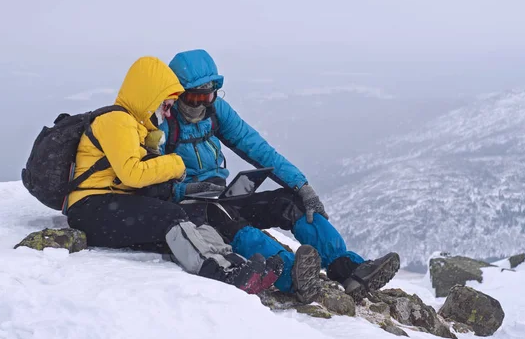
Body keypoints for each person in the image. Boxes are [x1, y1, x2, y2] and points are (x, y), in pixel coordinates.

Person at [157, 49, 400, 303]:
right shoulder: (163, 121)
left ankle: (347, 268)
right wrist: (184, 191)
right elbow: (150, 181)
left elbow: (256, 147)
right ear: (178, 93)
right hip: (190, 209)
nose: (202, 104)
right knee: (231, 221)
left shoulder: (216, 111)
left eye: (208, 96)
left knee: (290, 203)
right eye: (195, 97)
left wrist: (301, 185)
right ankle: (290, 276)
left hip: (220, 195)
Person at [65, 56, 282, 294]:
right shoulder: (117, 120)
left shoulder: (135, 127)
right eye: (166, 106)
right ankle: (218, 272)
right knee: (171, 216)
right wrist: (175, 163)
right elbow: (132, 175)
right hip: (90, 207)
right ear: (150, 98)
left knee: (189, 220)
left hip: (110, 206)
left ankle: (234, 264)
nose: (168, 114)